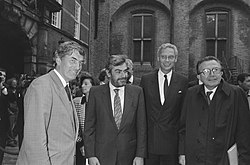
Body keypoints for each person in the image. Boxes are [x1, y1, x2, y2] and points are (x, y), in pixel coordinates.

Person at [16, 41, 85, 165]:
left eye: (81, 63)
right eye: (73, 60)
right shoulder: (42, 85)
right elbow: (34, 139)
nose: (78, 67)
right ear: (58, 59)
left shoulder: (66, 87)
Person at [179, 56, 250, 165]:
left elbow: (244, 132)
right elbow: (183, 127)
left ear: (221, 73)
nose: (212, 75)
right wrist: (182, 153)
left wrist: (244, 161)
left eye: (215, 70)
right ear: (199, 76)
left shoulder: (236, 94)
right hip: (196, 158)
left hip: (224, 159)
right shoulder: (191, 94)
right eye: (206, 71)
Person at [84, 55, 147, 165]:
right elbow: (89, 127)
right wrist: (91, 155)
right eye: (118, 71)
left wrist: (140, 155)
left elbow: (141, 127)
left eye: (125, 71)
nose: (123, 75)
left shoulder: (137, 93)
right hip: (101, 157)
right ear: (108, 73)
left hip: (129, 156)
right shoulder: (95, 93)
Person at [140, 43, 188, 165]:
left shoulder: (183, 82)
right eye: (163, 57)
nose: (167, 60)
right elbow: (141, 114)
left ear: (176, 59)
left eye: (171, 57)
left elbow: (184, 117)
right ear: (158, 58)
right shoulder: (146, 80)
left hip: (172, 146)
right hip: (150, 145)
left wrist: (182, 151)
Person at [73, 73, 97, 165]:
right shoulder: (77, 102)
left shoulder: (99, 103)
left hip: (96, 145)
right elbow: (76, 125)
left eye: (86, 84)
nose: (83, 86)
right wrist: (81, 144)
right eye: (82, 84)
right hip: (80, 143)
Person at [0, 67, 9, 164]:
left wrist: (4, 91)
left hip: (3, 122)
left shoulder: (6, 87)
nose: (2, 77)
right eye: (0, 75)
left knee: (2, 144)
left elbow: (11, 100)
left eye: (4, 76)